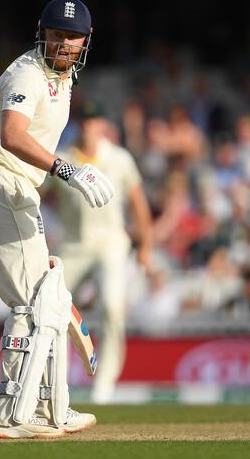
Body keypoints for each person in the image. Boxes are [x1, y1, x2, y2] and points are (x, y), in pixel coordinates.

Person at [0, 0, 114, 439]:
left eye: (72, 37)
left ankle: (50, 409)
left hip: (12, 189)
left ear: (86, 41)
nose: (63, 43)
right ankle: (11, 414)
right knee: (34, 305)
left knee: (47, 293)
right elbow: (12, 135)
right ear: (42, 33)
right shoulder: (27, 73)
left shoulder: (64, 77)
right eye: (56, 34)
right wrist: (66, 169)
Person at [53, 101, 153, 404]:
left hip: (111, 244)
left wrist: (146, 245)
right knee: (49, 310)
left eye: (94, 120)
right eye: (84, 120)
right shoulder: (63, 158)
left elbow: (138, 204)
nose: (88, 126)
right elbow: (37, 193)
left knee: (111, 307)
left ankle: (105, 382)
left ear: (103, 125)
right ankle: (54, 380)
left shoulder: (120, 158)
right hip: (72, 246)